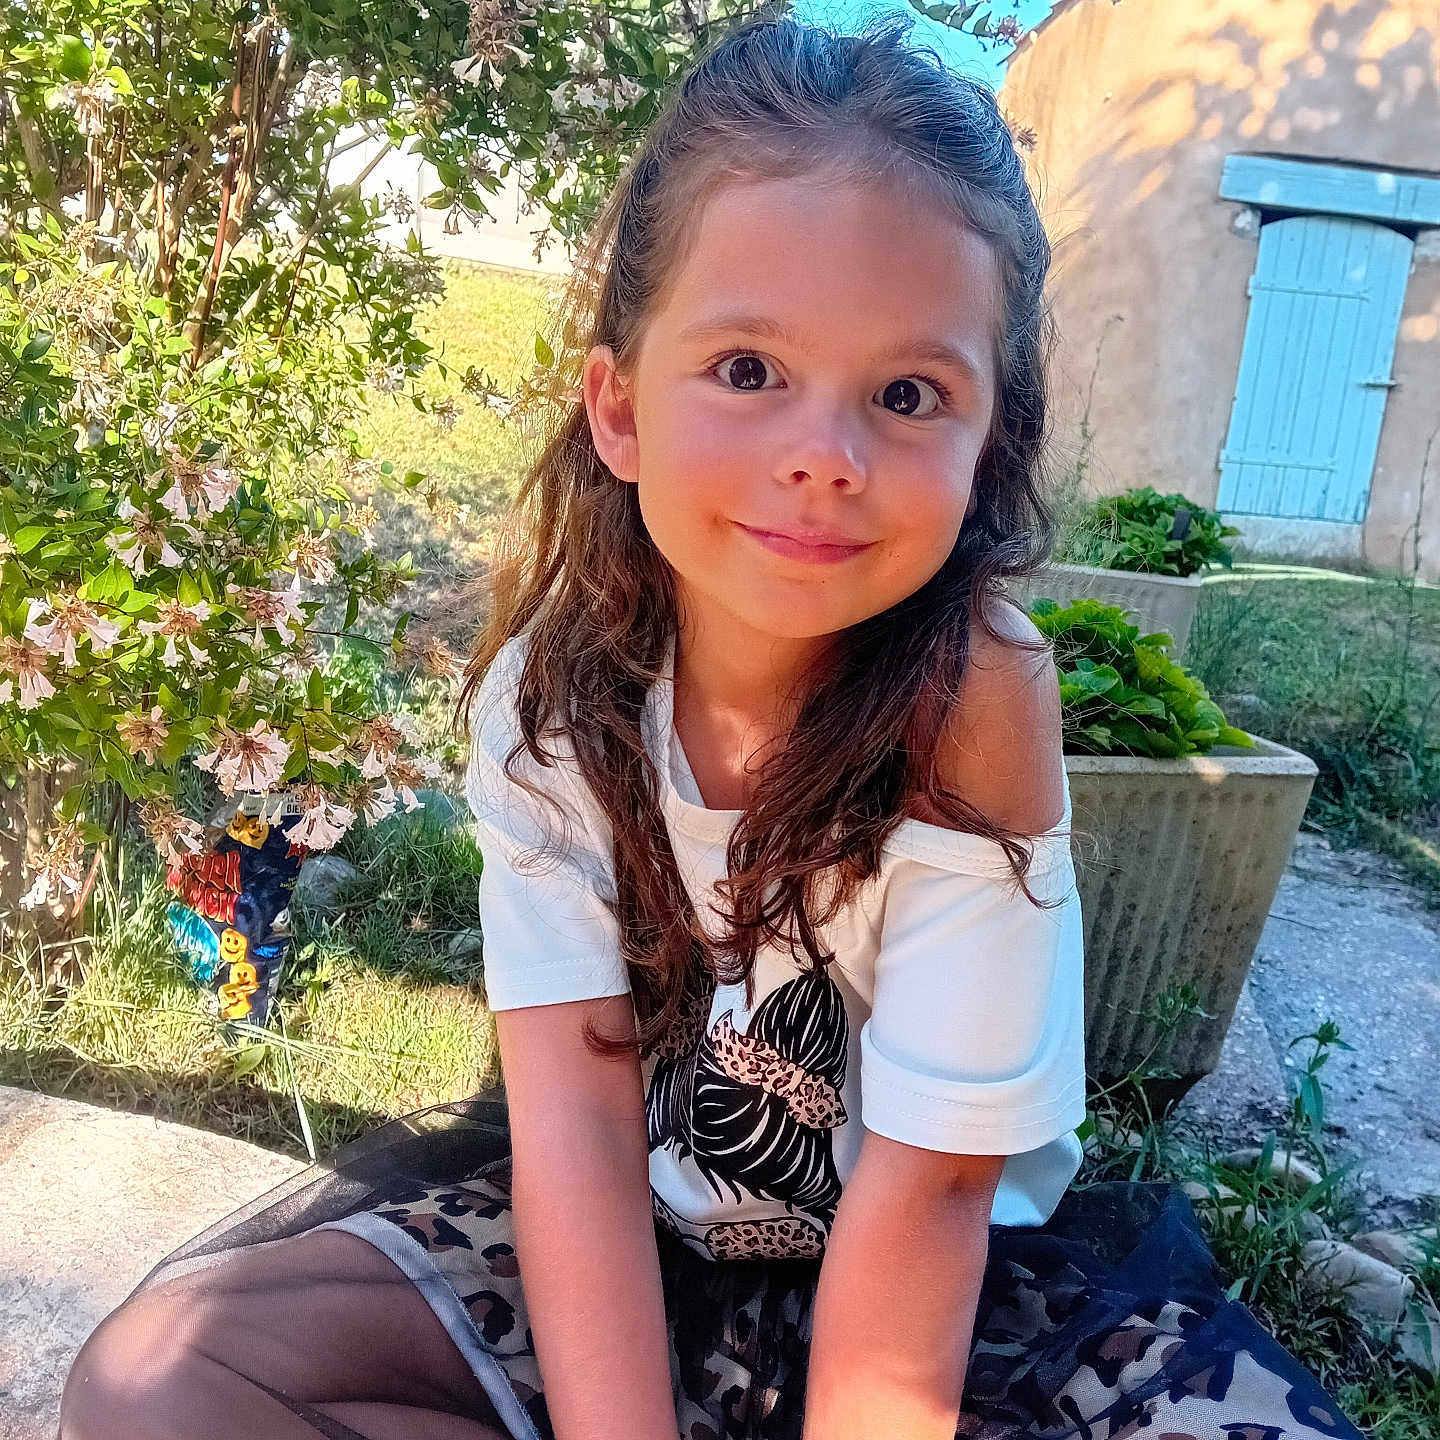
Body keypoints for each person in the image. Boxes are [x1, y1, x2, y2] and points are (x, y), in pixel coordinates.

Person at [60, 12, 1362, 1440]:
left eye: (908, 393)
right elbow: (573, 1127)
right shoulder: (552, 703)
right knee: (159, 1378)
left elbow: (927, 1194)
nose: (825, 452)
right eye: (748, 369)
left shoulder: (974, 703)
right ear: (617, 409)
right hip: (644, 1244)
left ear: (990, 443)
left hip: (950, 1296)